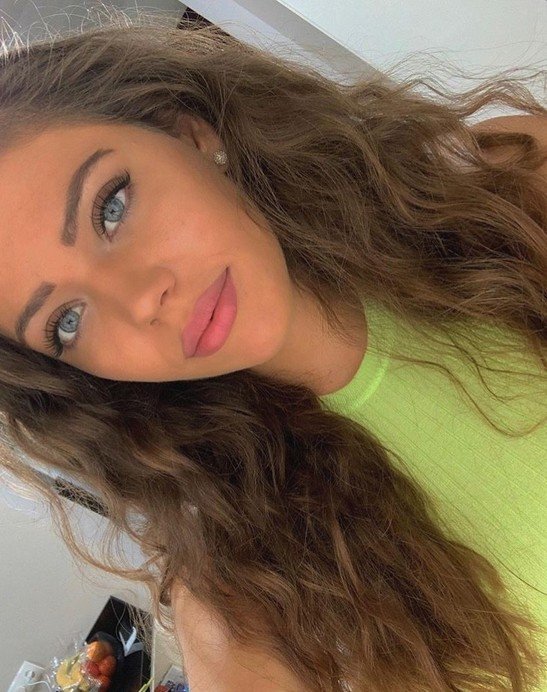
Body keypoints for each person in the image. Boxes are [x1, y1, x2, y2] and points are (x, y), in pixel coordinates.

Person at [0, 10, 545, 691]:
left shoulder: (497, 193)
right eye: (68, 321)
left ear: (190, 135)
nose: (140, 300)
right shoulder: (246, 595)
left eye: (111, 207)